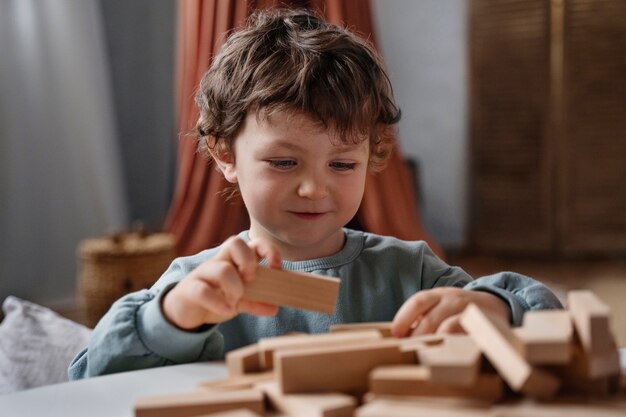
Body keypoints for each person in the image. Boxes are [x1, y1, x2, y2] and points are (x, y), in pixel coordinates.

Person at [69, 9, 561, 379]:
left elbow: (549, 318)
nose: (313, 187)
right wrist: (172, 318)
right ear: (223, 153)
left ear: (373, 155)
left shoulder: (409, 272)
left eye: (343, 163)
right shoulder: (200, 283)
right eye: (283, 162)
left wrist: (495, 308)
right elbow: (88, 375)